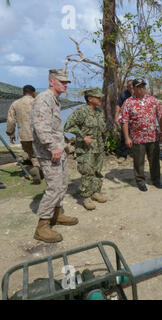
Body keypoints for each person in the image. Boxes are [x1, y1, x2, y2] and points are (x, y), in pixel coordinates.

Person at [30, 69, 78, 243]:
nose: (65, 84)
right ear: (52, 82)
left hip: (57, 152)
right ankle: (42, 227)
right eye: (62, 81)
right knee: (54, 188)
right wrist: (52, 147)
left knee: (63, 184)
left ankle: (56, 215)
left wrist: (64, 145)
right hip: (49, 153)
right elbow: (40, 127)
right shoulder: (43, 99)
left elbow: (55, 129)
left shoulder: (54, 100)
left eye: (66, 82)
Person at [64, 87, 107, 211]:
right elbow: (68, 126)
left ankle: (95, 192)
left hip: (98, 147)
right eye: (98, 97)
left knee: (97, 171)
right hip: (85, 148)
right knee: (87, 172)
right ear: (90, 99)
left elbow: (101, 127)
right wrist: (83, 137)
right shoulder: (81, 112)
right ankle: (86, 197)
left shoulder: (99, 111)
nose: (100, 99)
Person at [120, 79, 162, 192]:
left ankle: (156, 179)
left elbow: (160, 116)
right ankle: (140, 181)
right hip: (137, 138)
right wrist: (127, 138)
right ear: (133, 89)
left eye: (143, 87)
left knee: (154, 160)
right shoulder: (128, 102)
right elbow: (124, 121)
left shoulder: (153, 100)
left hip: (153, 136)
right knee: (138, 162)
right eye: (139, 87)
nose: (141, 89)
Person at [6, 85, 41, 184]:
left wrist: (11, 133)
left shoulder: (15, 104)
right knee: (41, 153)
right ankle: (38, 168)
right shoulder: (38, 102)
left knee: (31, 154)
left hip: (24, 135)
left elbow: (11, 121)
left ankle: (36, 169)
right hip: (39, 134)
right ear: (33, 93)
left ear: (23, 93)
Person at [114, 79, 134, 163]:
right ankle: (123, 154)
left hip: (136, 118)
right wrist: (116, 117)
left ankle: (135, 154)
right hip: (125, 117)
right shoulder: (123, 94)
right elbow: (118, 105)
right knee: (124, 136)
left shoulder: (139, 93)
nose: (131, 87)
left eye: (132, 85)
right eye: (129, 86)